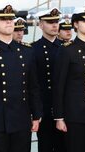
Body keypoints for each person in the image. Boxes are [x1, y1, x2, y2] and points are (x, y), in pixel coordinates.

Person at [53, 8, 85, 152]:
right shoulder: (67, 50)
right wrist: (59, 117)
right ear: (76, 24)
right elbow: (59, 86)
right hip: (74, 114)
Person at [0, 4, 42, 152]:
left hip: (21, 118)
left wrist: (37, 114)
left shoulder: (26, 51)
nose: (9, 22)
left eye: (10, 18)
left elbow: (33, 86)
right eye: (3, 19)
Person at [32, 8, 65, 152]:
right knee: (44, 145)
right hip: (43, 108)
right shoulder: (33, 49)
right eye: (50, 22)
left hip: (64, 108)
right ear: (40, 25)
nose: (54, 25)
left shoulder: (66, 48)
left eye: (56, 21)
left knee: (64, 146)